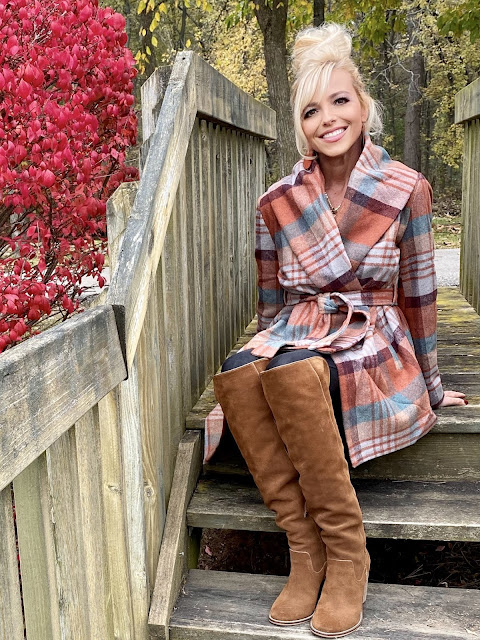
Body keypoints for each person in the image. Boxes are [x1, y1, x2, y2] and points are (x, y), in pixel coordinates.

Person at [210, 22, 467, 638]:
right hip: (301, 328)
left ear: (364, 107)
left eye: (340, 101)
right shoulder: (277, 201)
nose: (328, 119)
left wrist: (432, 387)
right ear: (300, 126)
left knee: (293, 369)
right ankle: (306, 548)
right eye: (311, 110)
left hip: (372, 334)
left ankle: (349, 555)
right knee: (244, 370)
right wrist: (260, 356)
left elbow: (420, 296)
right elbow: (271, 303)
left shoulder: (406, 188)